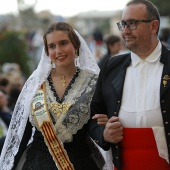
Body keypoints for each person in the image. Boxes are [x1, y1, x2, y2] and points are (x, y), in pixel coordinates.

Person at [0, 22, 105, 170]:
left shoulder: (94, 81)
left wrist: (105, 133)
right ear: (47, 52)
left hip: (81, 162)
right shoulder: (36, 83)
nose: (58, 51)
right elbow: (22, 132)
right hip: (36, 162)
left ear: (75, 45)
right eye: (52, 46)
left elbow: (97, 124)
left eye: (63, 43)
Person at [88, 0, 170, 170]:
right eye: (123, 24)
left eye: (132, 23)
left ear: (153, 26)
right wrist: (104, 134)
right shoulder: (111, 66)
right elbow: (92, 116)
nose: (125, 30)